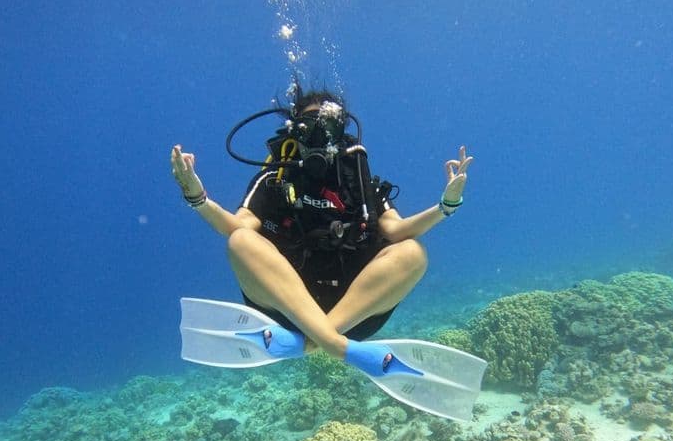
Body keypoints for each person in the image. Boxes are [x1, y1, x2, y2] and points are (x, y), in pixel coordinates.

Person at [170, 85, 472, 376]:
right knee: (240, 241)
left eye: (326, 123)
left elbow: (396, 230)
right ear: (294, 129)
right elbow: (236, 227)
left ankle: (310, 344)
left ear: (340, 130)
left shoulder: (357, 178)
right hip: (285, 311)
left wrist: (445, 206)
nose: (317, 132)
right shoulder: (276, 177)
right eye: (308, 123)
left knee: (412, 253)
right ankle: (338, 346)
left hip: (355, 313)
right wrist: (198, 198)